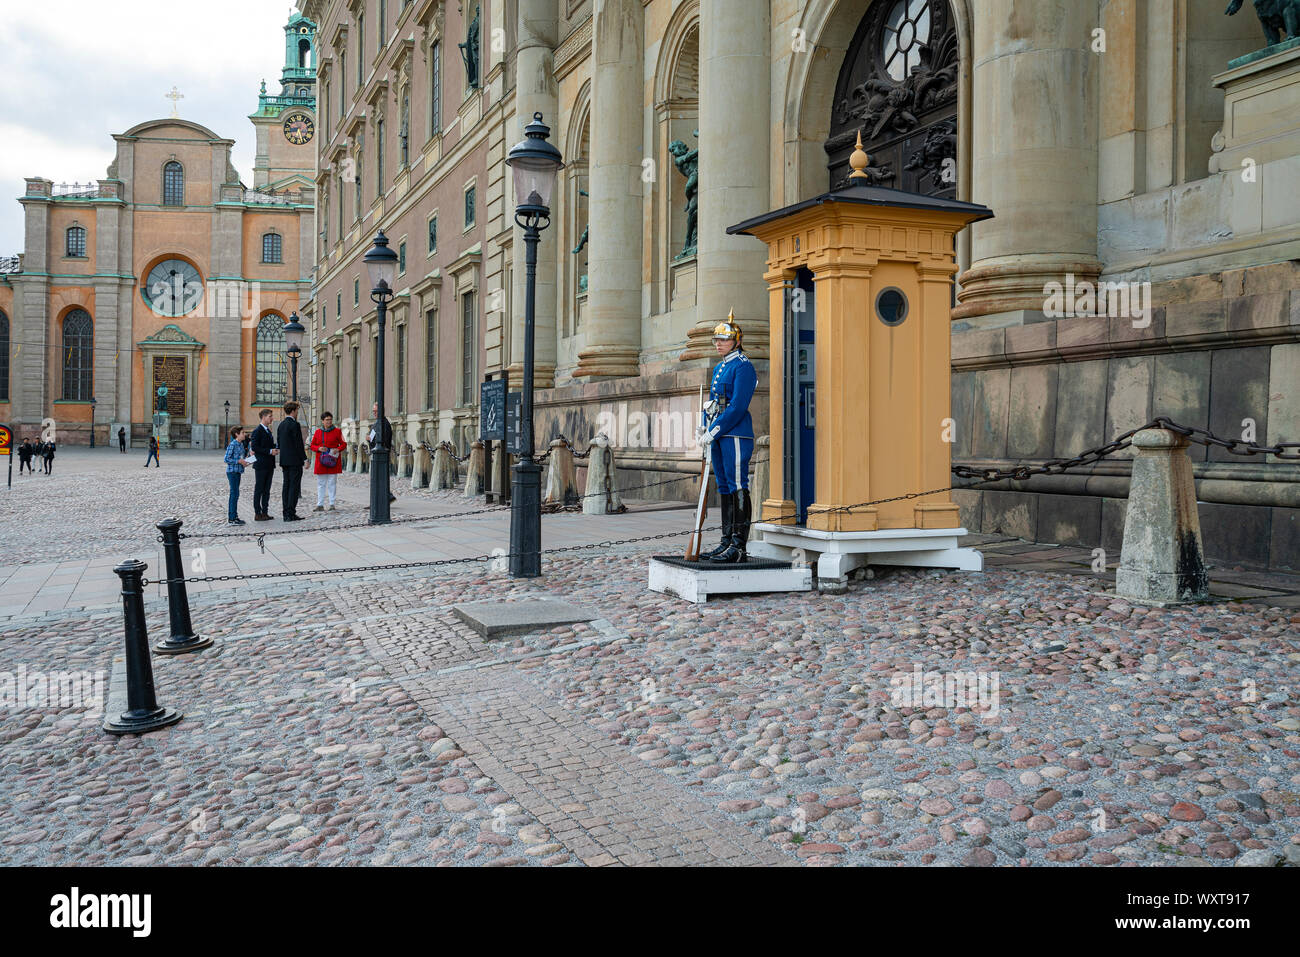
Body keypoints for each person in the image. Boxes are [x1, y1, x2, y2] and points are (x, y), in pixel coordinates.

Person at [696, 311, 757, 564]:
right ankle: (726, 540)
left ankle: (738, 546)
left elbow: (738, 406)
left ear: (736, 340)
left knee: (737, 485)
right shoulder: (721, 367)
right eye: (716, 340)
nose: (719, 343)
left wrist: (715, 430)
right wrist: (704, 425)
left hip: (735, 433)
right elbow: (714, 403)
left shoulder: (743, 366)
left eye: (724, 339)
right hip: (720, 434)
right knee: (724, 486)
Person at [276, 400, 308, 520]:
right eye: (297, 410)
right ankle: (291, 512)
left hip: (285, 460)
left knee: (286, 486)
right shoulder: (294, 425)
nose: (297, 413)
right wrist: (305, 458)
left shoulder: (281, 425)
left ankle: (286, 512)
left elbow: (279, 442)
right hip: (294, 461)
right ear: (293, 411)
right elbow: (298, 444)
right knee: (294, 487)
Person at [310, 411, 346, 511]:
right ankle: (320, 504)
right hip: (321, 461)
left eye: (330, 419)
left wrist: (338, 449)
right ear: (322, 421)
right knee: (321, 483)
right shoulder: (318, 432)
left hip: (332, 460)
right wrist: (318, 448)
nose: (329, 422)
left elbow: (344, 444)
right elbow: (312, 445)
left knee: (332, 482)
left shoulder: (337, 431)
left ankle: (332, 503)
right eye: (327, 420)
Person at [248, 408, 279, 521]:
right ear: (264, 417)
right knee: (259, 489)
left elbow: (267, 445)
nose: (272, 418)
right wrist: (270, 451)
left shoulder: (267, 430)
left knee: (267, 489)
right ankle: (257, 512)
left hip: (269, 464)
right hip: (261, 464)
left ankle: (265, 512)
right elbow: (255, 447)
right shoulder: (258, 430)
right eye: (270, 416)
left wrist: (275, 448)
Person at [224, 426, 254, 525]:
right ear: (237, 434)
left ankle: (235, 516)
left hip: (238, 471)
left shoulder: (241, 445)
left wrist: (248, 459)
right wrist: (238, 461)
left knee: (236, 494)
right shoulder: (232, 444)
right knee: (234, 494)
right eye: (242, 432)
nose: (244, 434)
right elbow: (226, 459)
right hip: (232, 472)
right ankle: (232, 518)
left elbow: (242, 458)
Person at [368, 402, 397, 504]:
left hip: (381, 455)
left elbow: (383, 440)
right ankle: (381, 499)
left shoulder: (384, 424)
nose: (374, 413)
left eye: (376, 411)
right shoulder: (377, 423)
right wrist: (369, 439)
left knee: (379, 479)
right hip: (375, 454)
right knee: (375, 479)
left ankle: (385, 497)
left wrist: (371, 439)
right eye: (373, 411)